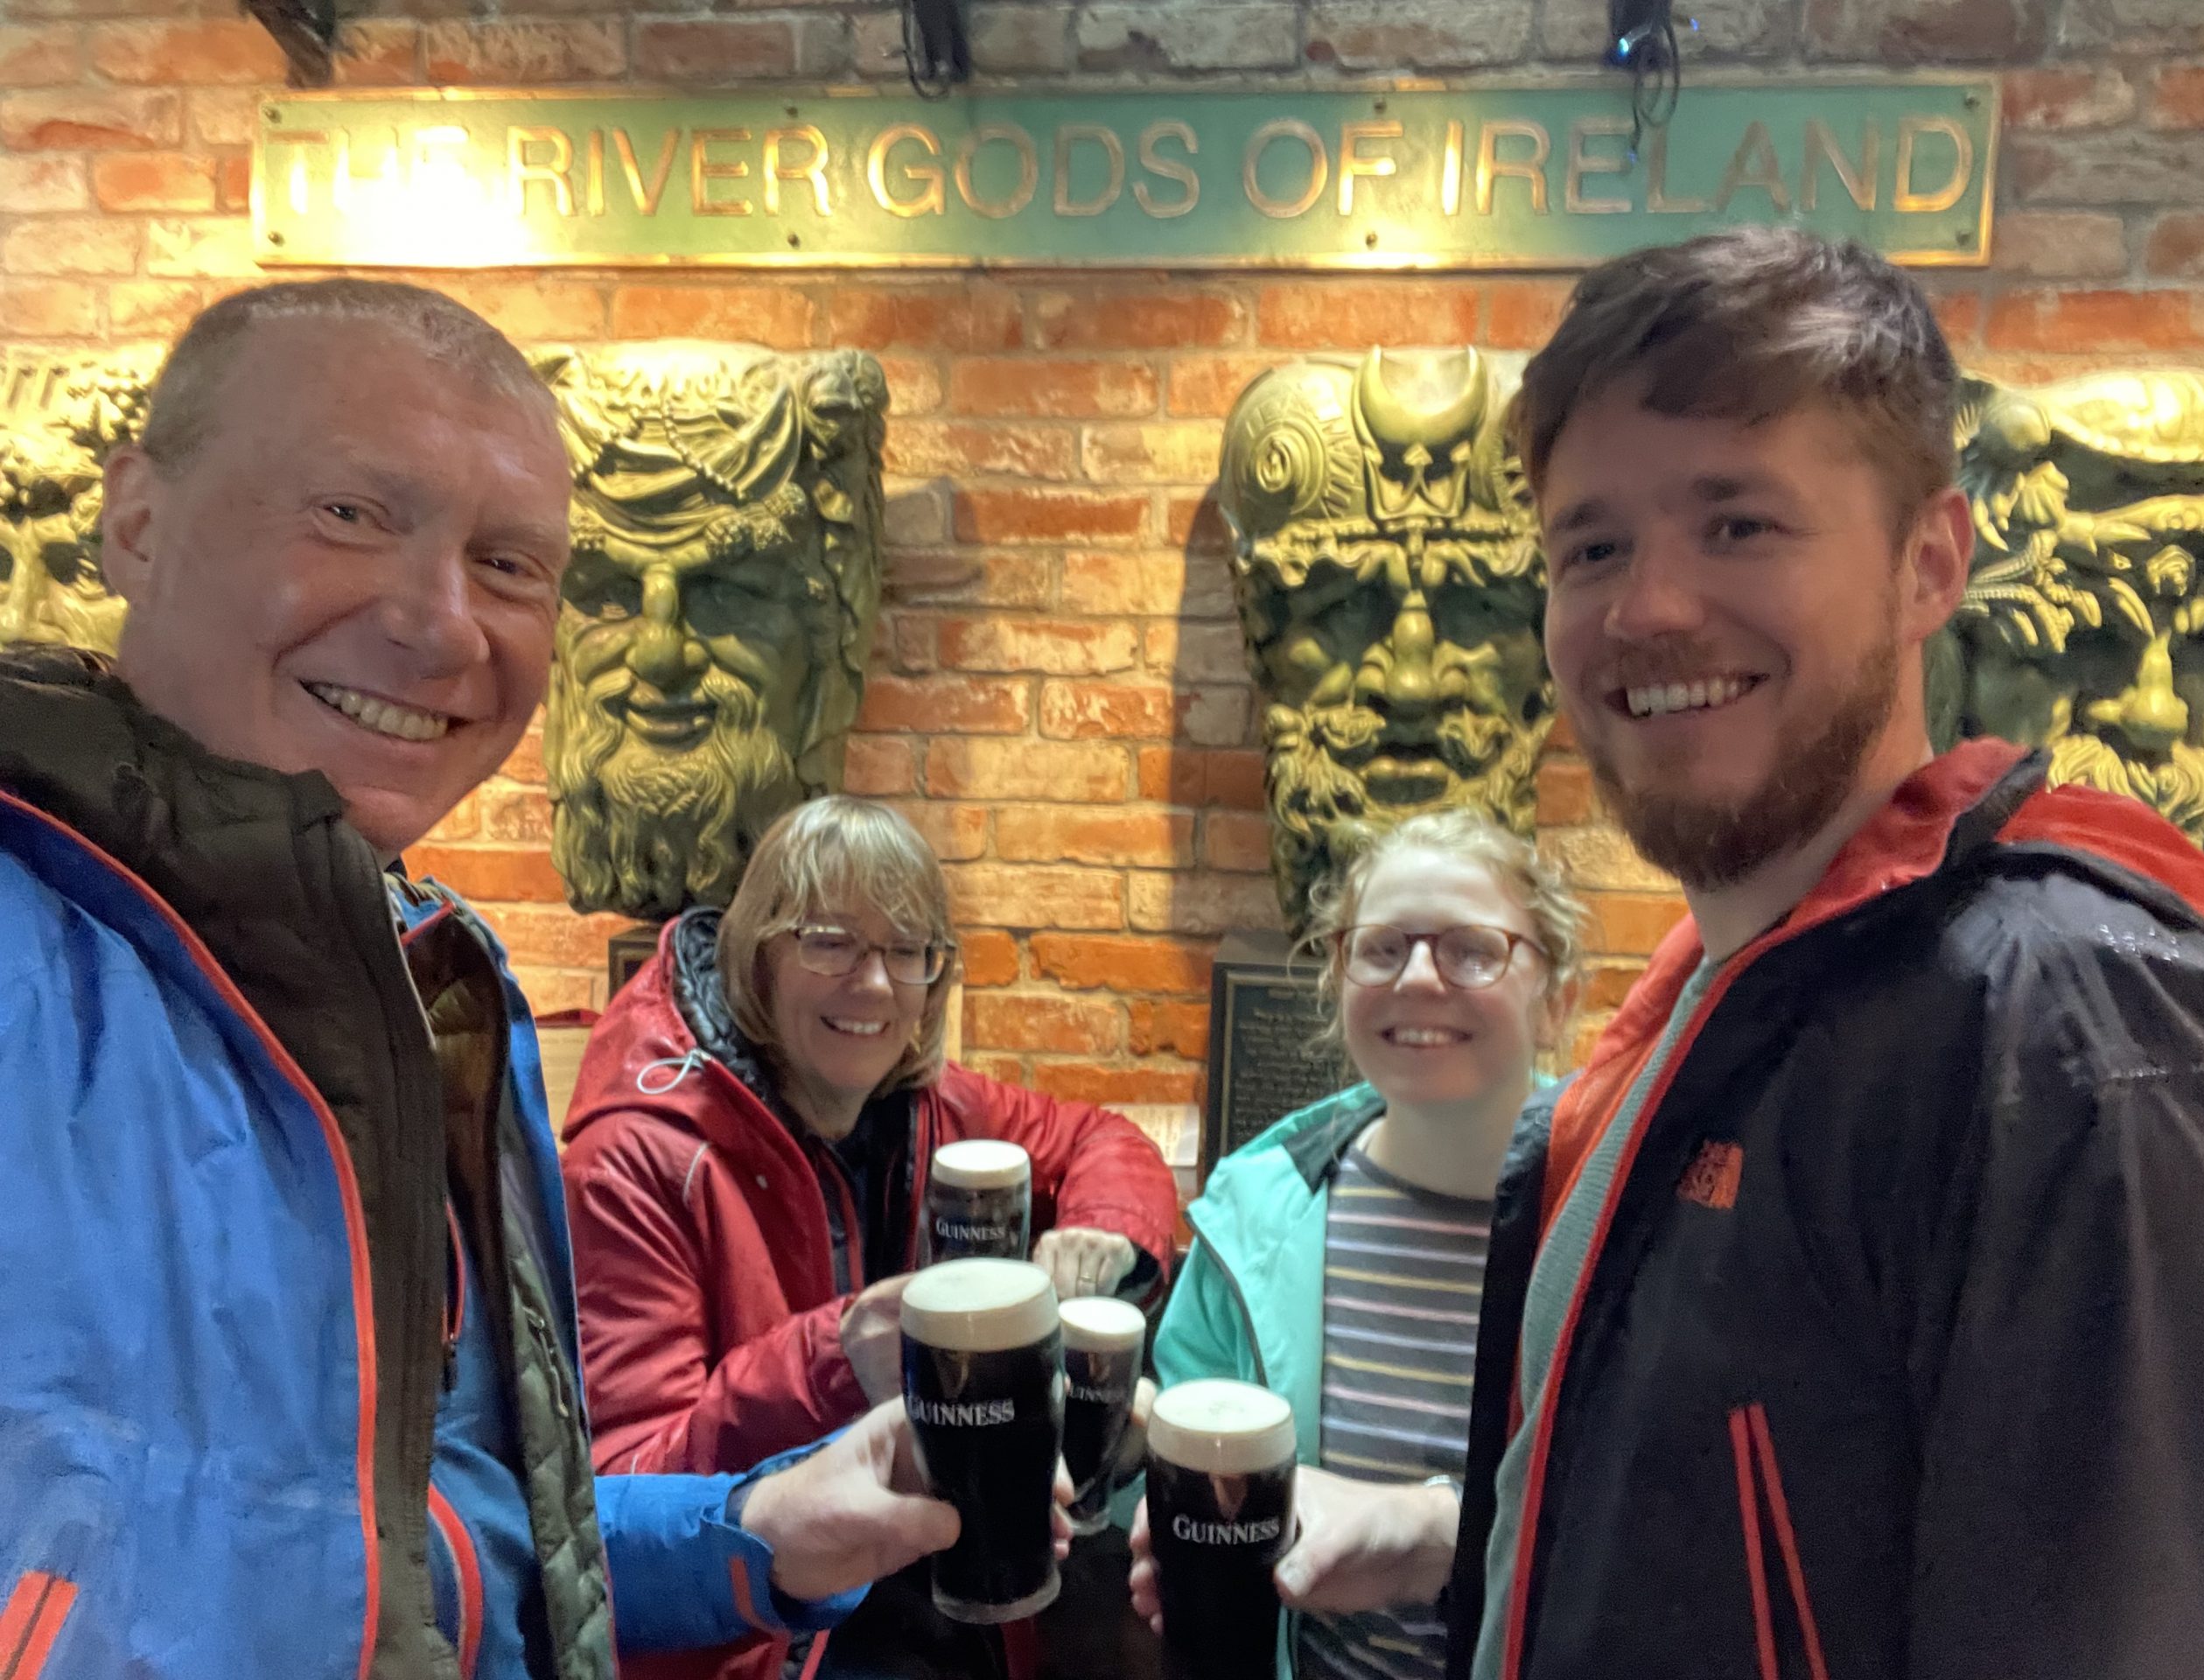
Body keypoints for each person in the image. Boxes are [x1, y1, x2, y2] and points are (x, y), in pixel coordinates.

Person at [0, 279, 998, 1680]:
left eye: (513, 565)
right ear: (136, 521)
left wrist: (753, 1534)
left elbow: (442, 1555)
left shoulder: (444, 991)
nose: (442, 624)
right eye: (352, 513)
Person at [1460, 228, 2204, 1680]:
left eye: (1738, 524)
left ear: (1928, 563)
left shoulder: (2071, 1038)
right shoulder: (1711, 1007)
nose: (1647, 607)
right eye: (1593, 547)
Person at [562, 792, 1179, 1680]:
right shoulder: (638, 1158)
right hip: (767, 1637)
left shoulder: (932, 1105)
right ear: (758, 953)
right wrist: (835, 1360)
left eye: (907, 951)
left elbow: (1104, 1139)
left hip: (953, 1591)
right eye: (831, 942)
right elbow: (620, 1503)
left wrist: (1099, 1235)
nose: (878, 985)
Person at [1124, 808, 1584, 1680]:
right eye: (1381, 949)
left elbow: (1675, 1521)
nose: (1418, 977)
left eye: (1471, 951)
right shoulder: (1252, 1223)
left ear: (1555, 1001)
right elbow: (1178, 1462)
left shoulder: (1624, 1221)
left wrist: (1443, 1532)